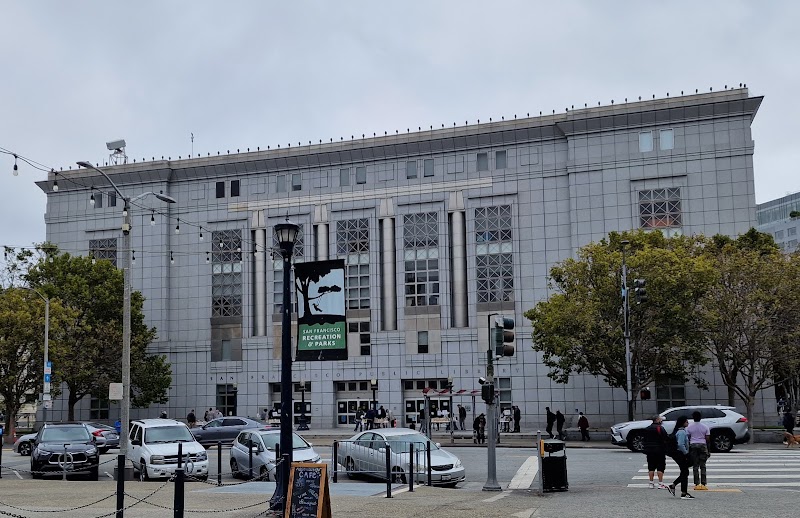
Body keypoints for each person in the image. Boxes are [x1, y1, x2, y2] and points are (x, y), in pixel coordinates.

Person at [667, 416, 694, 499]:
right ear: (683, 423)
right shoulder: (681, 432)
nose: (688, 423)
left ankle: (677, 488)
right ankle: (683, 492)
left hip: (678, 454)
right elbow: (680, 444)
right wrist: (686, 453)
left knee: (684, 472)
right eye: (686, 422)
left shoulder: (678, 431)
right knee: (685, 472)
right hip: (680, 454)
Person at [643, 415, 669, 489]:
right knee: (660, 466)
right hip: (659, 450)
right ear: (657, 420)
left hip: (650, 450)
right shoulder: (660, 428)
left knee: (651, 466)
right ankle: (660, 483)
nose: (661, 421)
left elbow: (644, 439)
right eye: (660, 419)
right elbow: (665, 438)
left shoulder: (647, 428)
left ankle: (651, 482)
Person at [686, 410, 711, 490]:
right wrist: (708, 450)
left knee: (695, 465)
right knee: (703, 465)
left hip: (693, 445)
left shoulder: (689, 427)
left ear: (693, 417)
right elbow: (707, 439)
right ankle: (703, 483)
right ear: (700, 417)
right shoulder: (705, 427)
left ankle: (696, 483)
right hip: (702, 445)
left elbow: (688, 437)